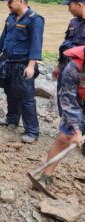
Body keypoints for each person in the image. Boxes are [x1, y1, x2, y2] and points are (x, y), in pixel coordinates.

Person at [0, 0, 44, 143]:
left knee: (26, 96)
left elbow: (36, 44)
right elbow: (3, 37)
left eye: (10, 2)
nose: (8, 4)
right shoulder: (11, 17)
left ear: (20, 1)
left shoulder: (35, 19)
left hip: (22, 63)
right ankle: (12, 119)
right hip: (7, 61)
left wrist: (31, 66)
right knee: (10, 91)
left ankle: (32, 131)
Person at [37, 45, 84, 188]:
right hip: (78, 102)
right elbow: (68, 101)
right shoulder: (73, 68)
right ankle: (46, 175)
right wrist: (77, 130)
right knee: (64, 138)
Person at [53, 0, 85, 115]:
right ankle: (66, 129)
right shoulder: (73, 23)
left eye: (69, 5)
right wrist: (58, 66)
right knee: (63, 97)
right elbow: (64, 45)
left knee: (80, 101)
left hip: (81, 70)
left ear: (79, 5)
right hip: (66, 67)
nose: (68, 9)